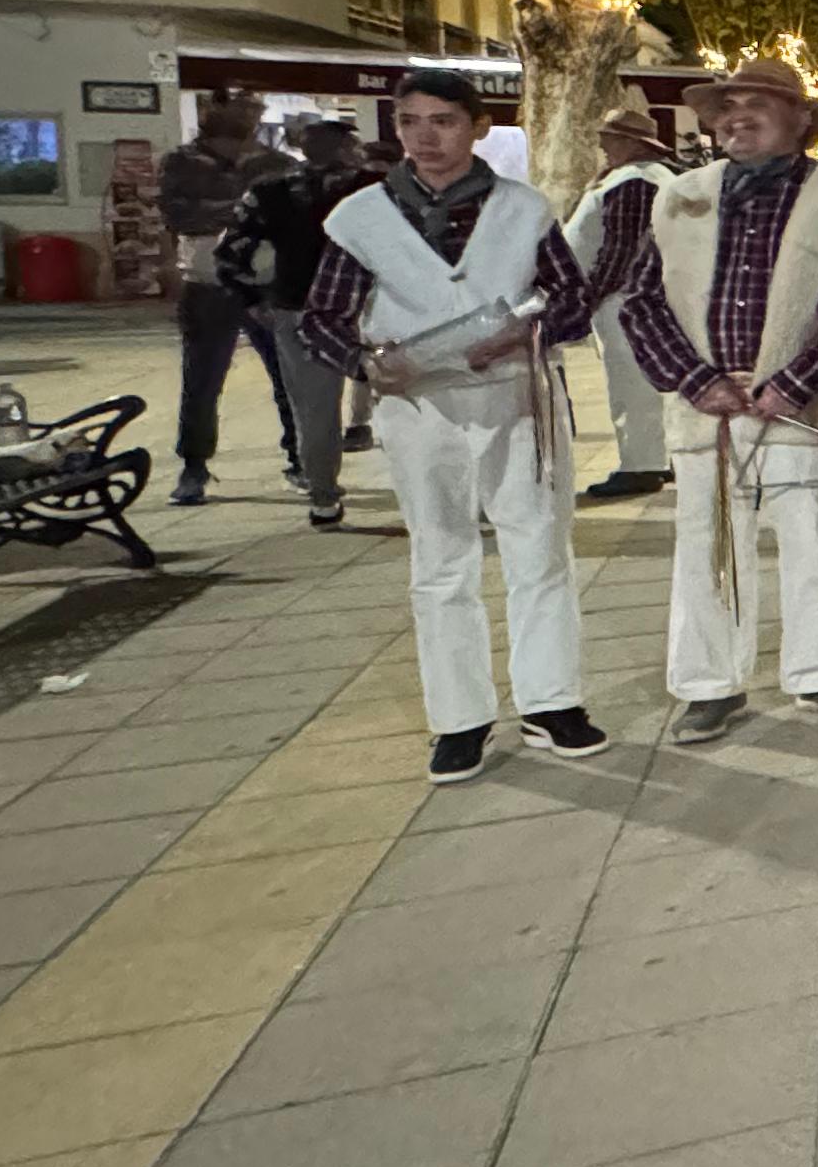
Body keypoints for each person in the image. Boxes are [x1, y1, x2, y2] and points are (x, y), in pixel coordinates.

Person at [298, 70, 608, 782]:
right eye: (410, 122)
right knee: (440, 561)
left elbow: (572, 301)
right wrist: (365, 364)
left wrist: (522, 334)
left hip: (516, 396)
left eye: (443, 121)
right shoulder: (361, 217)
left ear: (478, 128)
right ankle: (460, 718)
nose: (425, 137)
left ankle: (551, 699)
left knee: (539, 546)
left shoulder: (521, 210)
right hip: (417, 407)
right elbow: (321, 317)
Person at [623, 55, 818, 745]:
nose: (737, 116)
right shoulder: (682, 193)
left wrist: (796, 380)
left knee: (814, 537)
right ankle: (710, 684)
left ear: (801, 119)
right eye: (727, 106)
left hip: (799, 400)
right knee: (708, 543)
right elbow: (642, 300)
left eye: (758, 104)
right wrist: (694, 378)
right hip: (706, 402)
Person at [220, 117, 379, 530]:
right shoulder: (380, 189)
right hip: (379, 309)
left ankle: (324, 498)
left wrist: (255, 299)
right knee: (416, 402)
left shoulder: (269, 193)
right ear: (347, 148)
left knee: (314, 411)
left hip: (300, 310)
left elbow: (232, 249)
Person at [161, 100, 298, 505]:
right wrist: (245, 210)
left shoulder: (276, 162)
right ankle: (194, 465)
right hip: (207, 281)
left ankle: (300, 458)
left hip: (267, 284)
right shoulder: (182, 162)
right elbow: (179, 216)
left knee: (289, 378)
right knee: (202, 380)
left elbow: (287, 218)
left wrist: (224, 212)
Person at [566, 105, 676, 504]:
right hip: (632, 298)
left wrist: (587, 298)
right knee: (643, 381)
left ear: (631, 143)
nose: (602, 146)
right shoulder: (650, 178)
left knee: (630, 381)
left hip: (623, 299)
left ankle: (640, 463)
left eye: (609, 139)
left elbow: (622, 249)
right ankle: (654, 456)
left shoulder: (632, 182)